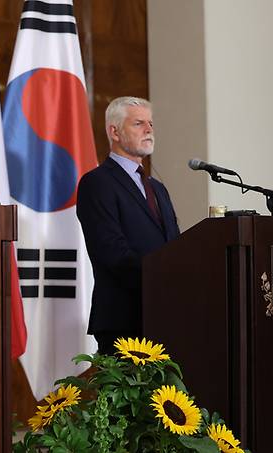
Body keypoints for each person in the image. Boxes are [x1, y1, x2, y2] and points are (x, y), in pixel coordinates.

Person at [76, 96, 179, 355]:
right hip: (123, 320)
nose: (148, 130)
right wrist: (163, 278)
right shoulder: (97, 183)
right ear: (115, 132)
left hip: (167, 317)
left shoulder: (158, 188)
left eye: (151, 124)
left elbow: (174, 245)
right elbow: (111, 251)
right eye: (138, 123)